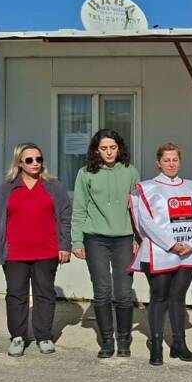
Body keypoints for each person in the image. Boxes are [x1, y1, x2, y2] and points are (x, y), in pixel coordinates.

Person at [0, 143, 72, 356]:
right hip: (15, 252)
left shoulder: (54, 187)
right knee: (16, 295)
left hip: (46, 251)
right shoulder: (6, 189)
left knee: (45, 295)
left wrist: (64, 245)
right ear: (19, 163)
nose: (35, 164)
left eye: (39, 159)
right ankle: (17, 336)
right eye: (30, 160)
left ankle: (43, 336)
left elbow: (65, 217)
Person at [130, 143, 192, 366]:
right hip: (160, 252)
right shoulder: (147, 187)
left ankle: (179, 344)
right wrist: (172, 244)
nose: (171, 164)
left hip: (187, 253)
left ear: (180, 161)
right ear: (158, 162)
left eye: (175, 160)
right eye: (167, 160)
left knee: (178, 298)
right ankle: (155, 345)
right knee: (159, 297)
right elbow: (145, 221)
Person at [71, 129, 141, 359]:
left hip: (123, 238)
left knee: (122, 292)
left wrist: (137, 238)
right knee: (102, 292)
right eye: (104, 148)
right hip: (95, 238)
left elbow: (137, 209)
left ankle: (123, 339)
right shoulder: (85, 173)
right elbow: (79, 208)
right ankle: (106, 341)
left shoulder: (130, 172)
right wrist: (77, 240)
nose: (109, 152)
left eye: (113, 147)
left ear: (119, 148)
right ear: (96, 150)